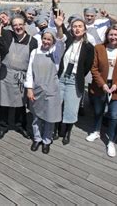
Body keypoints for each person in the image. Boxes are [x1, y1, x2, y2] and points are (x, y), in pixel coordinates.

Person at [86, 25, 117, 157]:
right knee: (98, 111)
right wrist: (103, 85)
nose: (113, 37)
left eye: (116, 35)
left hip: (116, 87)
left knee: (113, 115)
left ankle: (111, 140)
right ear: (107, 36)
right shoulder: (99, 48)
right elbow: (93, 68)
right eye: (111, 35)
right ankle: (96, 130)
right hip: (100, 85)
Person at [25, 14, 66, 154]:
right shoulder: (34, 51)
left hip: (51, 91)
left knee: (49, 118)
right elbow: (30, 71)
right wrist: (29, 88)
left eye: (49, 39)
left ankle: (47, 140)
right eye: (44, 38)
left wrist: (59, 27)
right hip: (36, 90)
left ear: (53, 41)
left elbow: (61, 42)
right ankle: (37, 138)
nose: (46, 41)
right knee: (36, 117)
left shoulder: (55, 54)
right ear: (41, 39)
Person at [0, 15, 38, 139]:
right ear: (12, 26)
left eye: (20, 24)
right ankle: (2, 126)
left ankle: (20, 126)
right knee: (3, 104)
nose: (18, 27)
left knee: (21, 104)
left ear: (25, 25)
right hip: (6, 75)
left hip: (22, 76)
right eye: (15, 25)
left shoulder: (33, 41)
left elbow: (34, 62)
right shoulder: (8, 36)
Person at [57, 15, 94, 145]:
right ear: (71, 29)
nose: (77, 29)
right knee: (57, 105)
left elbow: (87, 66)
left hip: (74, 80)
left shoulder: (89, 47)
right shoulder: (68, 40)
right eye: (74, 26)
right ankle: (57, 128)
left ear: (84, 29)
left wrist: (77, 75)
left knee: (71, 108)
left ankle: (67, 132)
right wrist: (56, 6)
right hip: (61, 78)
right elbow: (60, 30)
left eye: (80, 26)